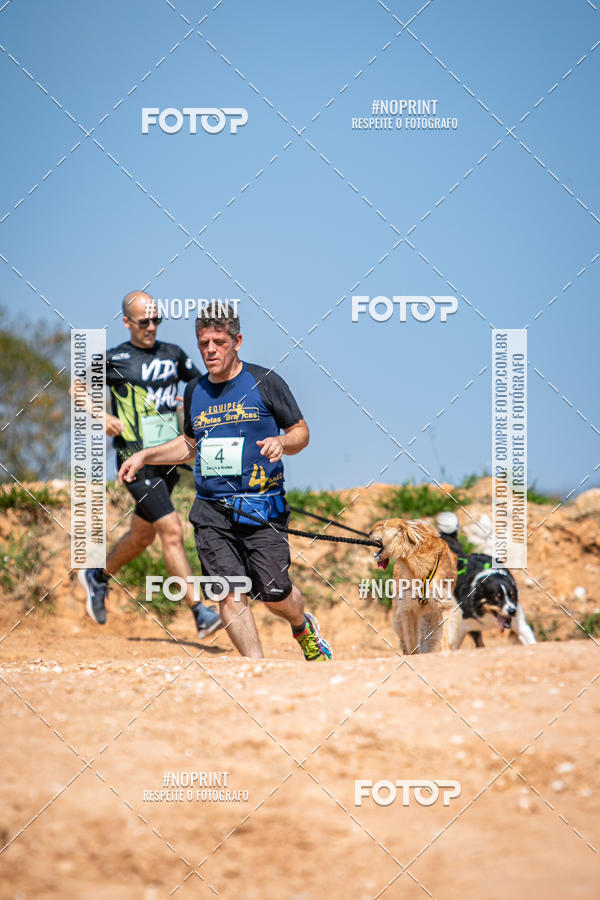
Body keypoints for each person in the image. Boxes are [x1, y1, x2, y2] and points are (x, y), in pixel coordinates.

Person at [118, 304, 332, 661]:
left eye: (218, 341)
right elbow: (189, 444)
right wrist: (145, 455)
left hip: (262, 507)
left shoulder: (265, 383)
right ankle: (255, 670)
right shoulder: (194, 391)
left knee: (276, 595)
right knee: (230, 594)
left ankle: (302, 626)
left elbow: (301, 432)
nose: (210, 350)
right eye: (204, 343)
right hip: (212, 511)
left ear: (237, 341)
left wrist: (282, 442)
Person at [75, 291, 222, 639]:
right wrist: (102, 416)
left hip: (168, 461)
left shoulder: (173, 355)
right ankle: (200, 612)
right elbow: (77, 388)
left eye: (157, 320)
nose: (152, 327)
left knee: (142, 535)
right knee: (171, 529)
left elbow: (201, 389)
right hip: (134, 462)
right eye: (144, 322)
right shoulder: (116, 359)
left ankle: (96, 576)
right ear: (127, 322)